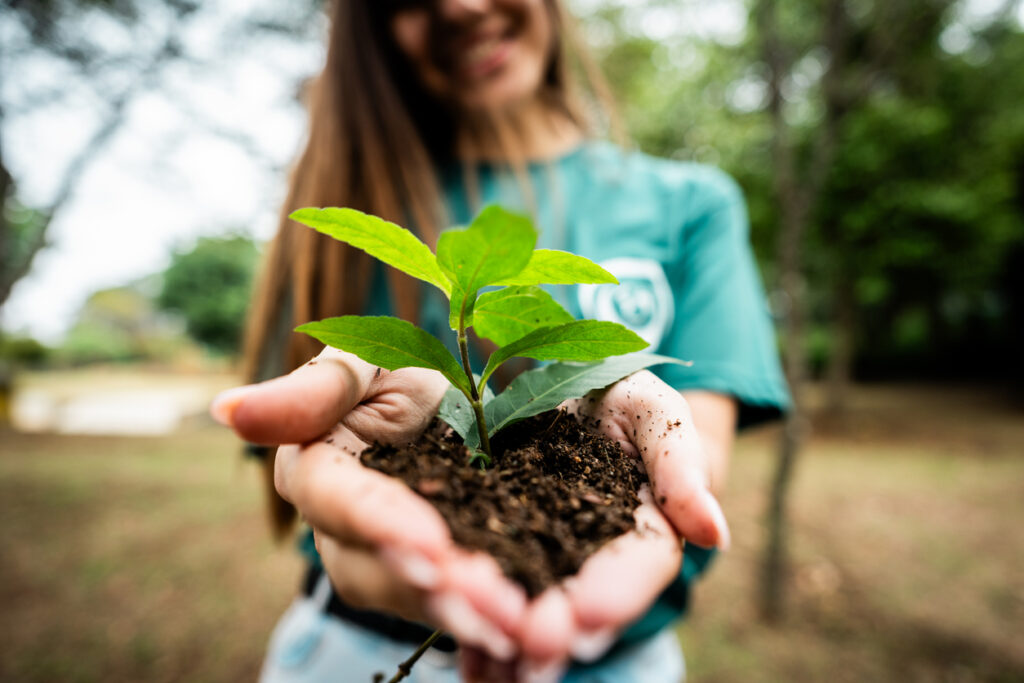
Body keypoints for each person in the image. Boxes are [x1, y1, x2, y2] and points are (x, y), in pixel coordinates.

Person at [210, 0, 789, 681]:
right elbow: (309, 443)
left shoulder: (691, 203)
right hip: (353, 652)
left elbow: (694, 455)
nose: (460, 5)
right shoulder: (343, 207)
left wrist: (637, 451)